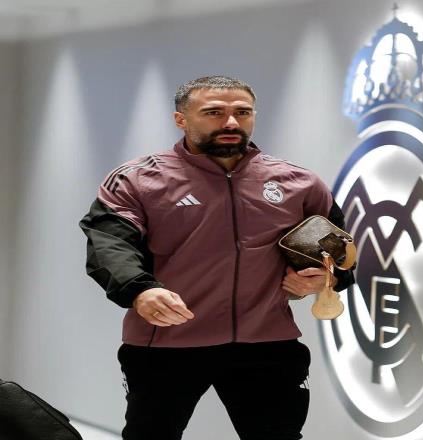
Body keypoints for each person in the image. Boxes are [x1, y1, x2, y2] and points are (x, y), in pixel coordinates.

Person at [79, 75, 354, 440]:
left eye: (243, 112)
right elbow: (109, 242)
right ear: (181, 119)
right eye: (213, 113)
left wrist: (328, 278)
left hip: (267, 344)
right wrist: (139, 290)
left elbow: (338, 251)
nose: (231, 122)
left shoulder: (297, 182)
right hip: (165, 344)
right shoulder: (139, 179)